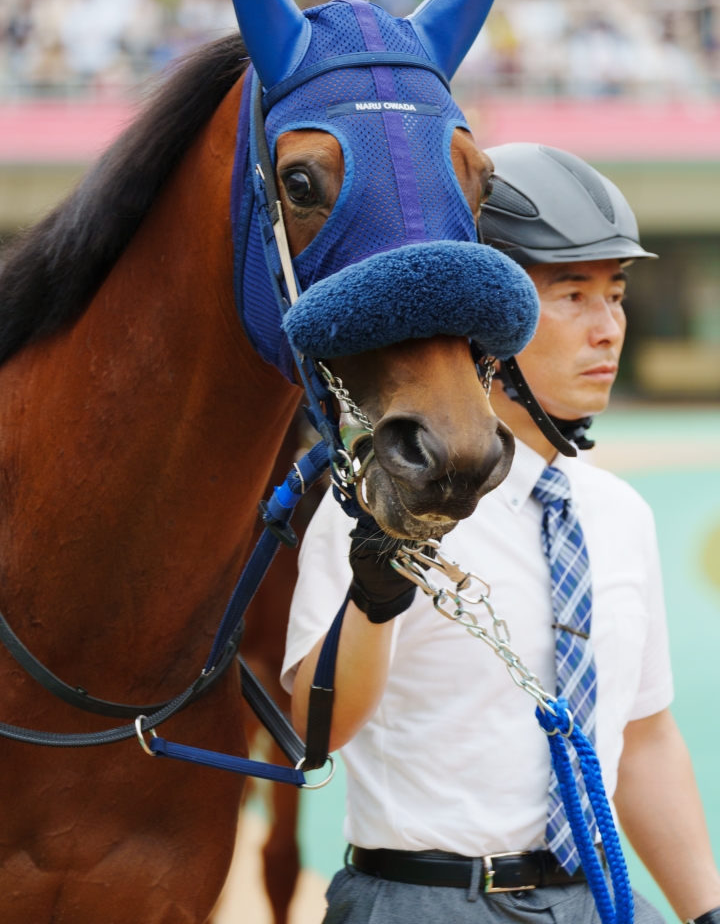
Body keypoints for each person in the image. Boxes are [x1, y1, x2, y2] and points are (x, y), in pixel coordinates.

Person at [281, 143, 720, 924]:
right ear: (487, 319)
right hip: (425, 900)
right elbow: (315, 733)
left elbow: (644, 740)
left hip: (598, 898)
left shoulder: (623, 515)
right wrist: (373, 596)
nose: (608, 328)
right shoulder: (374, 504)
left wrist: (706, 909)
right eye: (572, 295)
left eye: (615, 295)